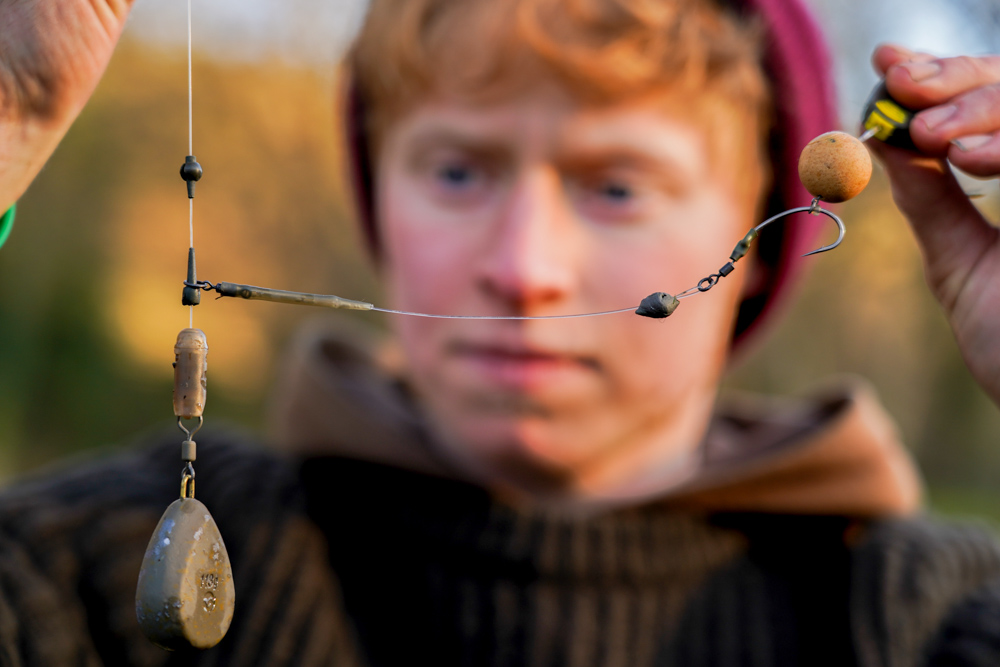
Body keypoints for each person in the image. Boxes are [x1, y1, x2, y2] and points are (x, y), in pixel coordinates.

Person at [1, 0, 1000, 664]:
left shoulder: (931, 623)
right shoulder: (85, 571)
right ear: (377, 197)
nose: (524, 268)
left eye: (615, 185)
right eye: (456, 172)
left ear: (759, 224)